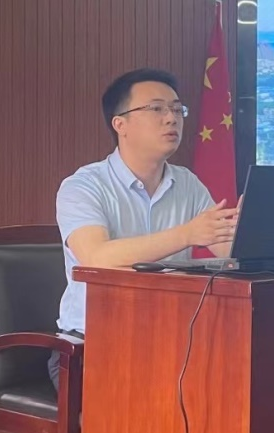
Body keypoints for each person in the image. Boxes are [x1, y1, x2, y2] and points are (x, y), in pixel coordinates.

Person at [48, 68, 239, 390]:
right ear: (120, 124)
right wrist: (186, 234)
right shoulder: (83, 186)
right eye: (156, 109)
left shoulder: (187, 184)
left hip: (175, 342)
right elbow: (96, 257)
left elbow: (230, 252)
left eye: (177, 109)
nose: (171, 118)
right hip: (92, 346)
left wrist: (248, 231)